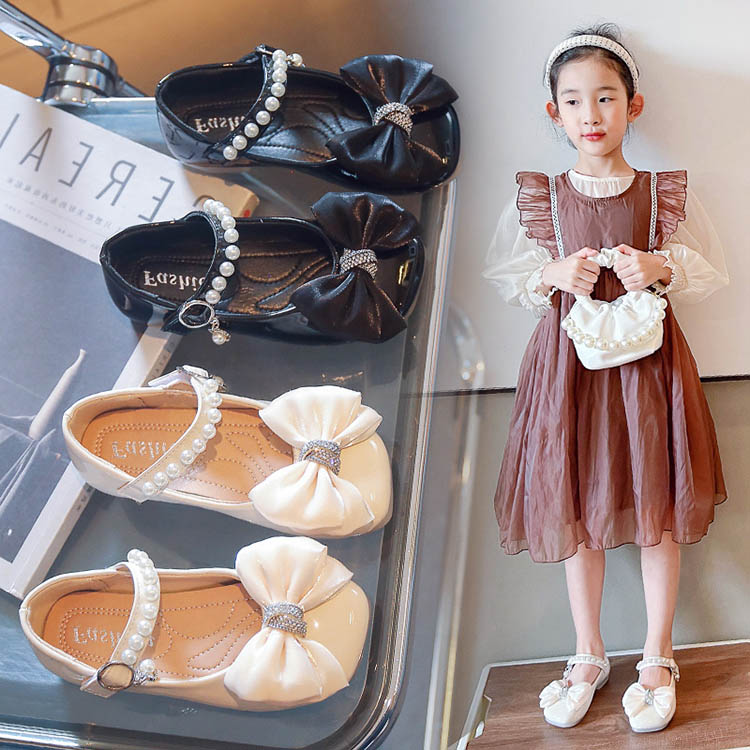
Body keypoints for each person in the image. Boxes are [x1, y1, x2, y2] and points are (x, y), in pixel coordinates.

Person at [483, 23, 730, 733]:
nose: (590, 114)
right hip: (569, 371)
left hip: (649, 369)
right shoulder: (542, 195)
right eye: (574, 100)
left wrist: (659, 265)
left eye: (605, 97)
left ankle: (658, 654)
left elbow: (707, 269)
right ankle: (587, 651)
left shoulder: (660, 192)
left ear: (633, 105)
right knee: (577, 503)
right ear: (553, 112)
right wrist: (552, 272)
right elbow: (507, 274)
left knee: (657, 503)